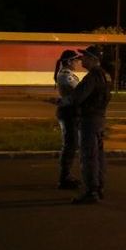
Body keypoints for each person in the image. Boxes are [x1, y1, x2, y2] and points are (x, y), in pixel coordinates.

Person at [60, 45, 112, 204]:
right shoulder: (105, 75)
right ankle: (99, 187)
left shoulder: (92, 77)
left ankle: (91, 192)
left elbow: (77, 97)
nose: (82, 59)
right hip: (99, 118)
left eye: (85, 56)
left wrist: (60, 102)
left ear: (93, 59)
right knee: (98, 156)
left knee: (88, 156)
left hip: (89, 120)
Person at [53, 50, 82, 190]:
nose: (78, 63)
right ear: (69, 62)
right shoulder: (66, 76)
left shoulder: (66, 74)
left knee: (71, 144)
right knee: (70, 145)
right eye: (76, 60)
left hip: (69, 111)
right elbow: (78, 92)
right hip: (68, 112)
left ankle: (66, 175)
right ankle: (64, 177)